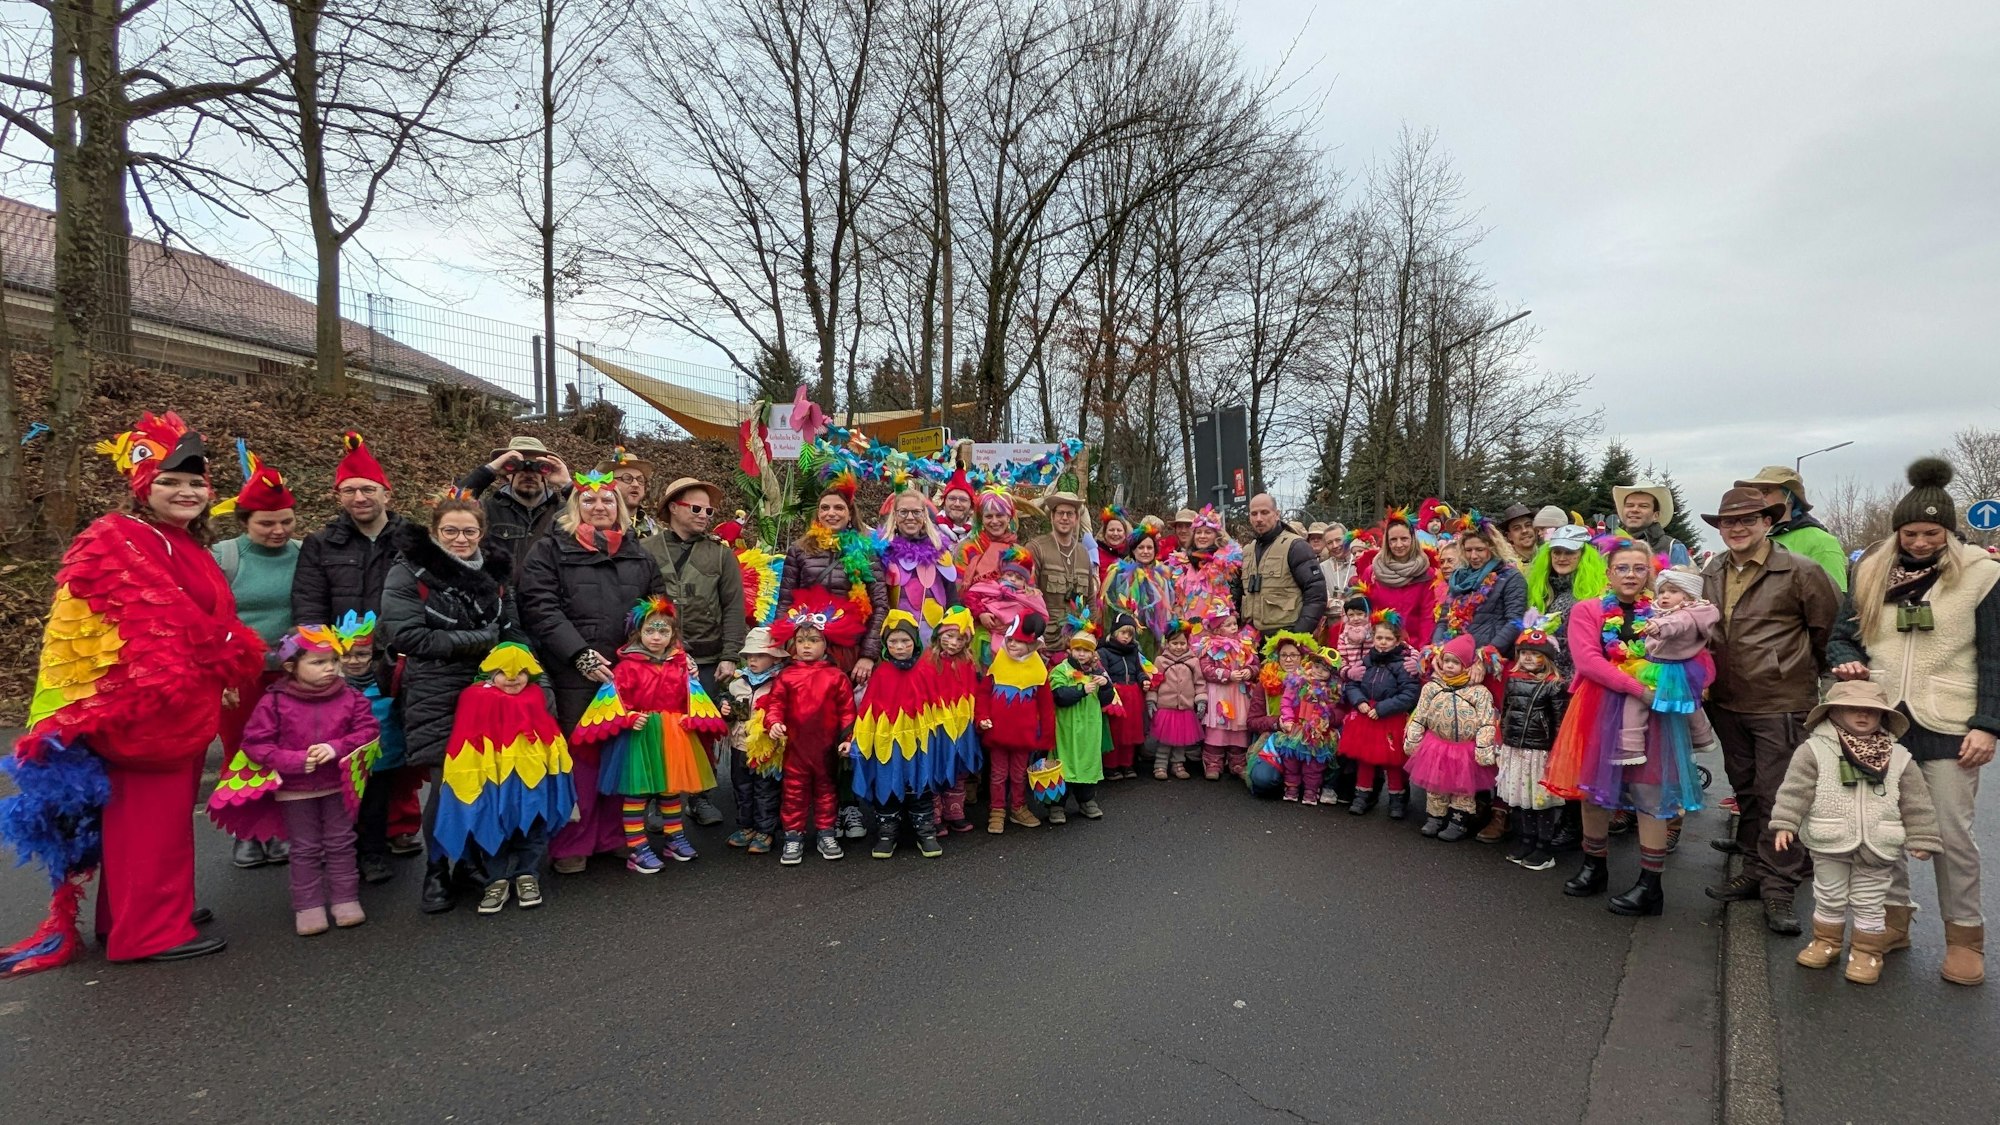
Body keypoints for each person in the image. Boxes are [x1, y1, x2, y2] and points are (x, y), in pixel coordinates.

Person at [4, 412, 263, 971]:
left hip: (182, 707)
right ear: (144, 487)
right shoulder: (120, 537)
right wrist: (228, 646)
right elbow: (157, 621)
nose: (186, 491)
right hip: (146, 712)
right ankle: (147, 933)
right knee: (151, 823)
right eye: (171, 482)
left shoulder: (179, 541)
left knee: (155, 822)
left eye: (196, 483)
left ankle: (139, 915)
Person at [1827, 458, 2000, 985]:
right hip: (1878, 718)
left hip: (1949, 720)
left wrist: (1988, 723)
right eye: (1911, 532)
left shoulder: (1982, 574)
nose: (1921, 542)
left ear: (1949, 530)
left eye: (1932, 532)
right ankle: (1892, 921)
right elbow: (1841, 635)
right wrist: (1845, 659)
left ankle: (1964, 935)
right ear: (1897, 530)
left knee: (1949, 832)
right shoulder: (1870, 569)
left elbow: (1994, 655)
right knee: (1882, 828)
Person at [1698, 487, 1840, 934]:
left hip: (1782, 703)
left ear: (1768, 522)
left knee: (1780, 795)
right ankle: (1757, 871)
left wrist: (1817, 688)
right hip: (1726, 701)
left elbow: (1828, 635)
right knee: (1747, 792)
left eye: (1747, 521)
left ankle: (1779, 890)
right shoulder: (1713, 569)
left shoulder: (1801, 571)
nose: (1736, 529)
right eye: (1728, 523)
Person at [379, 494, 528, 913]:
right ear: (435, 531)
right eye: (450, 531)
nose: (460, 539)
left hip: (491, 685)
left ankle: (469, 862)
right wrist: (483, 641)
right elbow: (408, 636)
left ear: (481, 533)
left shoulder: (497, 573)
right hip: (434, 688)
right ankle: (437, 870)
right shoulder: (409, 571)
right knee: (448, 785)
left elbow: (512, 626)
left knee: (485, 780)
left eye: (468, 531)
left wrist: (520, 664)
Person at [1545, 541, 1710, 917]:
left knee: (1650, 794)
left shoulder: (1667, 611)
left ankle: (1651, 886)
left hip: (1653, 716)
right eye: (1623, 568)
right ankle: (1594, 866)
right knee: (1593, 791)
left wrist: (1673, 685)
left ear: (1650, 574)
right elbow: (1587, 661)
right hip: (1600, 707)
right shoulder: (1588, 610)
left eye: (1639, 568)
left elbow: (1696, 650)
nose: (1631, 575)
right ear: (1608, 573)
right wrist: (1639, 688)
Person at [519, 470, 668, 874]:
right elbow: (539, 605)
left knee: (622, 753)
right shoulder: (550, 548)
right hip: (575, 671)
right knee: (581, 755)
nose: (599, 507)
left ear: (619, 508)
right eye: (589, 501)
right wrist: (579, 654)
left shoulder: (638, 552)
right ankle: (572, 842)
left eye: (607, 501)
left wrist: (655, 649)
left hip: (628, 669)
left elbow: (658, 607)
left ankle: (619, 835)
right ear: (575, 507)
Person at [294, 431, 422, 881]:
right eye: (349, 490)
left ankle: (395, 827)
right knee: (347, 755)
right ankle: (350, 839)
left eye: (368, 488)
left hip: (395, 659)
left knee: (393, 751)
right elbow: (309, 605)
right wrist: (319, 660)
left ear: (386, 492)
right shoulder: (322, 544)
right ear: (338, 495)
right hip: (341, 666)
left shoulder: (411, 539)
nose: (360, 497)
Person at [1769, 680, 1942, 986]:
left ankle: (1866, 951)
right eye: (1852, 709)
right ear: (1834, 713)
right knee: (1829, 894)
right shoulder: (1815, 750)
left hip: (1879, 841)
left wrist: (1922, 836)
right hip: (1829, 837)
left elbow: (1917, 800)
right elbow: (1796, 790)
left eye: (1871, 712)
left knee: (1870, 900)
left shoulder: (1899, 756)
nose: (1862, 716)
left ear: (1883, 717)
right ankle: (1826, 942)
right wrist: (1786, 822)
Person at [236, 625, 380, 935]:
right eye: (317, 662)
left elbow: (368, 731)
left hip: (337, 784)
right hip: (294, 789)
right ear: (290, 666)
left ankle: (345, 899)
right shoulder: (273, 703)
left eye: (332, 661)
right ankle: (308, 905)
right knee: (303, 847)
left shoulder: (351, 697)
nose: (329, 668)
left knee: (342, 842)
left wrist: (335, 748)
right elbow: (255, 744)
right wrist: (294, 761)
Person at [431, 642, 576, 914]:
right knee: (492, 825)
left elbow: (548, 735)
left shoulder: (534, 696)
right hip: (492, 780)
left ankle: (527, 874)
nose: (512, 678)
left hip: (530, 779)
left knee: (532, 826)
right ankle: (496, 880)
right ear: (489, 673)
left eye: (520, 671)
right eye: (502, 671)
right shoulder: (475, 697)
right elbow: (465, 741)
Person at [210, 447, 301, 870]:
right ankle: (247, 832)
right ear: (245, 522)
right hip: (239, 675)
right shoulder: (225, 557)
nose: (278, 530)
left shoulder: (304, 554)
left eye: (285, 521)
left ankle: (278, 827)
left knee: (286, 751)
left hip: (289, 673)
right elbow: (208, 616)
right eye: (267, 523)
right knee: (241, 751)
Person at [641, 476, 747, 828]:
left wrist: (730, 654)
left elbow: (734, 607)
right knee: (657, 729)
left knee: (704, 729)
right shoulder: (646, 550)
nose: (705, 515)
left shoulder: (720, 553)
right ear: (674, 507)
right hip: (657, 658)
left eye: (709, 510)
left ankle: (700, 796)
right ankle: (658, 796)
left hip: (707, 658)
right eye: (696, 508)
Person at [599, 598, 726, 871]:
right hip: (640, 736)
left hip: (673, 735)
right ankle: (637, 848)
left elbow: (691, 696)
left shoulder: (679, 665)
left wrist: (688, 713)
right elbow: (616, 701)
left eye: (663, 632)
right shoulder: (626, 667)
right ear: (638, 633)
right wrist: (629, 717)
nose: (656, 637)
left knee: (671, 792)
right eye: (650, 631)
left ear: (673, 635)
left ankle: (674, 838)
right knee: (637, 794)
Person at [764, 606, 858, 864]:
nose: (806, 646)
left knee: (827, 792)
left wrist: (847, 740)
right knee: (793, 793)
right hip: (796, 749)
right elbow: (775, 705)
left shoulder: (836, 677)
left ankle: (826, 833)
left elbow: (848, 712)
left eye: (813, 640)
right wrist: (773, 722)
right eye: (801, 641)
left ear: (825, 644)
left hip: (827, 749)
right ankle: (793, 836)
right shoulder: (786, 676)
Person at [778, 471, 888, 683]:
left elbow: (880, 604)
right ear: (817, 514)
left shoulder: (865, 550)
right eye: (825, 508)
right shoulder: (799, 549)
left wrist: (868, 655)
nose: (831, 513)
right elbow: (785, 601)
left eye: (839, 507)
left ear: (850, 514)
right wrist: (780, 644)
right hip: (806, 646)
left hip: (848, 651)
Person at [853, 611, 946, 859]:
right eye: (893, 642)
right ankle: (887, 831)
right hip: (889, 742)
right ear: (886, 645)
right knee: (888, 782)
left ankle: (925, 830)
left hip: (919, 742)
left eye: (905, 641)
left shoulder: (925, 670)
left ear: (915, 641)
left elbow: (937, 708)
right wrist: (859, 741)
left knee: (920, 786)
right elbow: (868, 711)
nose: (899, 646)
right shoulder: (881, 673)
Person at [1620, 566, 1720, 765]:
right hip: (1675, 666)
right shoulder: (1676, 611)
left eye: (1673, 591)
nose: (1665, 596)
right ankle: (1701, 738)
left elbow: (1677, 624)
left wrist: (1658, 627)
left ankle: (1630, 746)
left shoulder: (1685, 614)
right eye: (1663, 591)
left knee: (1636, 702)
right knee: (1687, 704)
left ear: (1689, 596)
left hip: (1666, 668)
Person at [1403, 634, 1499, 842]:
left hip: (1465, 750)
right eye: (1446, 660)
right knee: (1435, 785)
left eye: (1456, 662)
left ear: (1467, 665)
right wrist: (1413, 738)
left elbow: (1486, 722)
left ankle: (1458, 821)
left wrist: (1484, 748)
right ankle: (1435, 818)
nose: (1449, 666)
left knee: (1462, 788)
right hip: (1437, 746)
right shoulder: (1432, 688)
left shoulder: (1479, 693)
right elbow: (1420, 715)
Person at [1495, 614, 1568, 870]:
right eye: (1523, 652)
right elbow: (1506, 712)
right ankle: (1526, 840)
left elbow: (1560, 721)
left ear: (1547, 658)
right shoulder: (1514, 680)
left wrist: (1558, 751)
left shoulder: (1554, 686)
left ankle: (1544, 849)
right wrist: (1501, 739)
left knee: (1540, 801)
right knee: (1520, 797)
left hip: (1540, 752)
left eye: (1534, 653)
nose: (1527, 658)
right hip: (1515, 748)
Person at [976, 613, 1057, 832]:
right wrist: (982, 717)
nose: (1013, 645)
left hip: (1024, 735)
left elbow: (1046, 707)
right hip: (998, 733)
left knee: (1019, 774)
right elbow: (983, 694)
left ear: (1032, 645)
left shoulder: (1039, 670)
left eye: (1020, 642)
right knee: (998, 774)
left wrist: (1047, 738)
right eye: (1010, 640)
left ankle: (1018, 808)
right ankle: (997, 810)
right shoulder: (997, 664)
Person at [458, 436, 572, 585]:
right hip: (501, 601)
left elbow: (597, 516)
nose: (528, 473)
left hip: (548, 603)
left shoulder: (564, 514)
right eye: (518, 466)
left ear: (546, 472)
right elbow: (449, 505)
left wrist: (567, 484)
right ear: (507, 473)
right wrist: (490, 470)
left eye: (538, 467)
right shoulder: (486, 510)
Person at [1341, 610, 1421, 819]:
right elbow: (1353, 684)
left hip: (1390, 718)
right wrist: (1360, 701)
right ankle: (1362, 796)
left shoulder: (1403, 665)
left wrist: (1383, 708)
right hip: (1367, 716)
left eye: (1388, 639)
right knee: (1365, 760)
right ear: (1373, 638)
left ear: (1397, 641)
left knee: (1393, 762)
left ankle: (1397, 799)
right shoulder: (1368, 660)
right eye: (1379, 638)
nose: (1383, 643)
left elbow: (1409, 694)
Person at [721, 627, 787, 856]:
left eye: (759, 655)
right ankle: (746, 826)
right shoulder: (737, 682)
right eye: (749, 655)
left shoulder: (781, 682)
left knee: (765, 790)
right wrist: (725, 709)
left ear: (775, 657)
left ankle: (765, 830)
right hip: (739, 745)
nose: (752, 660)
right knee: (741, 788)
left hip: (765, 749)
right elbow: (728, 707)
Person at [1735, 465, 1849, 591]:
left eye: (1766, 492)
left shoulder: (1820, 541)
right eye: (1755, 493)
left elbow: (1833, 599)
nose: (1758, 498)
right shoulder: (1748, 539)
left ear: (1789, 497)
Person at [923, 604, 984, 834]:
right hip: (938, 725)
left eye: (960, 639)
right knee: (937, 767)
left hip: (961, 725)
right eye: (949, 636)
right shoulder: (928, 660)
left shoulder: (967, 662)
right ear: (940, 634)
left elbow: (974, 692)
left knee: (959, 768)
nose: (954, 643)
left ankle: (954, 811)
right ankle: (935, 815)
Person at [1434, 516, 1528, 659]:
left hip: (1488, 659)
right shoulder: (1458, 578)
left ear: (1492, 548)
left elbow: (1514, 622)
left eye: (1479, 549)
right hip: (1454, 660)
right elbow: (1443, 622)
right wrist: (1437, 650)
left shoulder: (1511, 577)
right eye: (1468, 550)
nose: (1473, 556)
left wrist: (1487, 654)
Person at [1046, 628, 1113, 823]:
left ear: (1093, 653)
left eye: (1086, 651)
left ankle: (1087, 801)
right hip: (1066, 729)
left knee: (1087, 763)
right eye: (1078, 650)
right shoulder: (1061, 669)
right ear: (1070, 651)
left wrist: (1107, 686)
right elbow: (1059, 696)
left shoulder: (1099, 671)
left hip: (1089, 729)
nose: (1081, 654)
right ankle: (1057, 805)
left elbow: (1106, 700)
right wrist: (1081, 689)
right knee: (1063, 764)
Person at [877, 486, 959, 639]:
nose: (910, 517)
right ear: (894, 515)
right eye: (903, 512)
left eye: (916, 512)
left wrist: (955, 625)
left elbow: (952, 595)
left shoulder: (939, 550)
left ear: (924, 516)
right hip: (895, 636)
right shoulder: (882, 550)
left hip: (933, 633)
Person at [1243, 493, 1327, 638]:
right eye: (1254, 514)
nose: (1259, 519)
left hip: (1285, 638)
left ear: (1277, 514)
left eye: (1264, 512)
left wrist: (1297, 636)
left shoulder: (1296, 546)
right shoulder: (1247, 551)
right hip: (1252, 640)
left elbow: (1316, 594)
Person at [1354, 509, 1437, 649]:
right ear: (1387, 542)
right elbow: (1364, 612)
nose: (1399, 545)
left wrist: (1422, 650)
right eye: (1393, 540)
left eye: (1404, 539)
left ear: (1413, 539)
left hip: (1412, 648)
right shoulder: (1373, 573)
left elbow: (1427, 617)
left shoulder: (1426, 574)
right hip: (1379, 646)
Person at [1196, 605, 1259, 780]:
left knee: (1238, 726)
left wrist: (1250, 671)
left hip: (1238, 694)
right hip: (1220, 693)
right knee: (1218, 727)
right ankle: (1213, 762)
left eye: (1234, 624)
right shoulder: (1208, 646)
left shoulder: (1244, 645)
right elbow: (1206, 669)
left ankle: (1237, 761)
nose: (1234, 627)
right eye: (1228, 625)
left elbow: (1255, 663)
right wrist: (1227, 674)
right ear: (1217, 628)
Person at [1026, 490, 1098, 643]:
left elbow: (1090, 599)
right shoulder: (1036, 548)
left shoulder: (1084, 553)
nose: (1065, 518)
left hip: (1077, 643)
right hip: (1046, 641)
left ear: (1077, 518)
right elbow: (1028, 596)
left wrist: (1090, 635)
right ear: (1052, 516)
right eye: (1060, 513)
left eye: (1070, 514)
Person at [1275, 645, 1340, 806]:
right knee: (1291, 760)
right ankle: (1291, 787)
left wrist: (1327, 719)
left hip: (1318, 733)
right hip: (1295, 728)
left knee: (1314, 764)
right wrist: (1288, 719)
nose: (1318, 671)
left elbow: (1334, 711)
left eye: (1324, 670)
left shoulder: (1332, 690)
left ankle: (1311, 790)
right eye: (1316, 666)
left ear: (1331, 674)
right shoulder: (1297, 682)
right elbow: (1286, 702)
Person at [1101, 526, 1174, 655]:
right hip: (1124, 638)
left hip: (1151, 639)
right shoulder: (1119, 574)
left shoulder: (1161, 576)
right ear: (1133, 550)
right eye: (1140, 547)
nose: (1145, 551)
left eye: (1149, 548)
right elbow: (1110, 611)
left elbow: (1167, 609)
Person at [1167, 505, 1243, 626]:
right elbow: (1176, 594)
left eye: (1208, 532)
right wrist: (1177, 606)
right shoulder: (1182, 563)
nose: (1202, 536)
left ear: (1216, 536)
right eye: (1198, 532)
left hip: (1217, 629)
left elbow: (1235, 593)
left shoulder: (1226, 561)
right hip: (1190, 628)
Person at [1099, 612, 1151, 780]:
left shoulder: (1133, 652)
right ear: (1114, 632)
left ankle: (1127, 764)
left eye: (1130, 634)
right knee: (1114, 731)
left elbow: (1139, 671)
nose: (1126, 637)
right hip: (1115, 695)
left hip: (1132, 695)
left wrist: (1144, 681)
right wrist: (1108, 688)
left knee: (1130, 731)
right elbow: (1103, 673)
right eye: (1123, 633)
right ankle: (1111, 766)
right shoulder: (1104, 652)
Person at [1150, 621, 1203, 780]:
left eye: (1182, 643)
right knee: (1165, 741)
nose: (1178, 647)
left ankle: (1178, 764)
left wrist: (1201, 700)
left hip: (1185, 709)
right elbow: (1154, 683)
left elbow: (1199, 683)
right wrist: (1151, 700)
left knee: (1181, 740)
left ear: (1188, 643)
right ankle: (1160, 765)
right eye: (1174, 643)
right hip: (1166, 708)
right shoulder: (1160, 661)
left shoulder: (1193, 662)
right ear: (1167, 643)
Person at [1612, 484, 1692, 567]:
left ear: (1655, 515)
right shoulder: (1611, 547)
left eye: (1643, 506)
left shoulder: (1674, 548)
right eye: (1629, 505)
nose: (1634, 510)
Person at [599, 446, 658, 537]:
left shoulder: (656, 532)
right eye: (627, 478)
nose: (635, 484)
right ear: (610, 484)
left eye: (640, 480)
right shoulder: (597, 525)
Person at [1317, 523, 1356, 609]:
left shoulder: (1360, 563)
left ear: (1347, 538)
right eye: (1329, 543)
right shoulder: (1322, 568)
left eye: (1338, 540)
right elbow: (1323, 598)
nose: (1335, 546)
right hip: (1333, 619)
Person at [938, 469, 979, 542]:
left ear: (971, 506)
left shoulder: (979, 534)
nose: (957, 504)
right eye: (952, 498)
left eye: (963, 500)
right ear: (944, 503)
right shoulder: (931, 532)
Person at [1096, 505, 1133, 583]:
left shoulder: (1133, 554)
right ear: (1104, 533)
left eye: (1119, 530)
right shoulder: (1095, 553)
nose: (1115, 533)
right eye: (1111, 530)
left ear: (1125, 534)